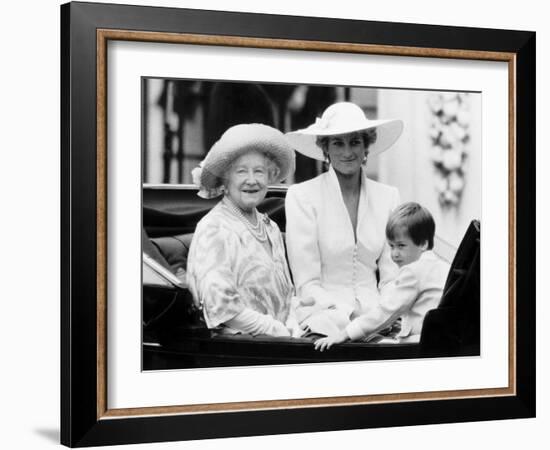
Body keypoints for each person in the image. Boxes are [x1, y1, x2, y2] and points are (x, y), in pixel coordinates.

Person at [284, 102, 404, 336]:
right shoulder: (302, 196)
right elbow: (307, 282)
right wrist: (345, 318)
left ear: (366, 146)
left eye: (355, 142)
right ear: (325, 148)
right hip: (322, 315)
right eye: (338, 143)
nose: (347, 152)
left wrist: (381, 315)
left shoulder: (389, 197)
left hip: (378, 317)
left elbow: (393, 277)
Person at [187, 123, 300, 337]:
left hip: (283, 344)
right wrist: (275, 330)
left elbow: (287, 293)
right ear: (225, 181)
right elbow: (221, 308)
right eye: (241, 171)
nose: (252, 180)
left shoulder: (271, 227)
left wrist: (293, 325)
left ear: (270, 176)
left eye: (259, 171)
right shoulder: (214, 228)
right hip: (241, 348)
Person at [314, 202, 450, 350]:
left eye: (401, 246)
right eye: (391, 246)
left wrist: (346, 333)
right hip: (443, 340)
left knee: (368, 345)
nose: (394, 254)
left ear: (423, 244)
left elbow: (387, 312)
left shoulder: (413, 271)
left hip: (421, 344)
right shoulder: (441, 266)